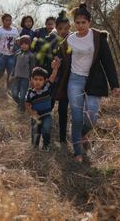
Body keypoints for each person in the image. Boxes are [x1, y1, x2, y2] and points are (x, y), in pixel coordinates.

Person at [59, 3, 120, 163]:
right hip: (75, 80)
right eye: (77, 23)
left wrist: (114, 84)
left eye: (83, 23)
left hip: (94, 80)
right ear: (74, 23)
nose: (80, 26)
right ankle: (77, 152)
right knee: (77, 117)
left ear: (89, 23)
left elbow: (108, 61)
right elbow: (63, 60)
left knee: (92, 116)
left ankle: (81, 134)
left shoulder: (97, 37)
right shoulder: (69, 40)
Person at [25, 59, 60, 151]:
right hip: (36, 116)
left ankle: (46, 145)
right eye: (35, 79)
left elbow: (52, 76)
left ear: (45, 81)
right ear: (31, 79)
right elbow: (27, 104)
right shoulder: (30, 93)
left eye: (40, 80)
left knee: (46, 129)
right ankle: (35, 147)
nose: (38, 82)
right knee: (35, 133)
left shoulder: (46, 88)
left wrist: (55, 69)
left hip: (46, 115)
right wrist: (32, 113)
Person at [49, 11, 72, 144]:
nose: (64, 31)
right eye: (60, 28)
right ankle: (44, 133)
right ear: (56, 28)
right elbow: (45, 60)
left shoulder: (73, 41)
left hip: (66, 81)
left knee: (63, 110)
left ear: (69, 27)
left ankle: (63, 138)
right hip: (53, 80)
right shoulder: (51, 41)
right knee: (48, 107)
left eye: (66, 28)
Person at [0, 13, 19, 89]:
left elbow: (17, 42)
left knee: (11, 72)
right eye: (6, 20)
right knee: (0, 71)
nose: (9, 22)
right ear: (3, 21)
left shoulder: (15, 30)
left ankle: (9, 89)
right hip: (1, 54)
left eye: (10, 20)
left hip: (11, 55)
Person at [10, 35, 35, 112]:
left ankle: (22, 109)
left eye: (26, 44)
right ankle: (22, 104)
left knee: (22, 95)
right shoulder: (17, 53)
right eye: (22, 44)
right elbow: (14, 65)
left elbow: (32, 68)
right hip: (16, 77)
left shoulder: (31, 55)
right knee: (14, 94)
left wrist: (32, 79)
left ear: (29, 45)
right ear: (20, 44)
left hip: (25, 78)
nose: (24, 46)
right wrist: (12, 75)